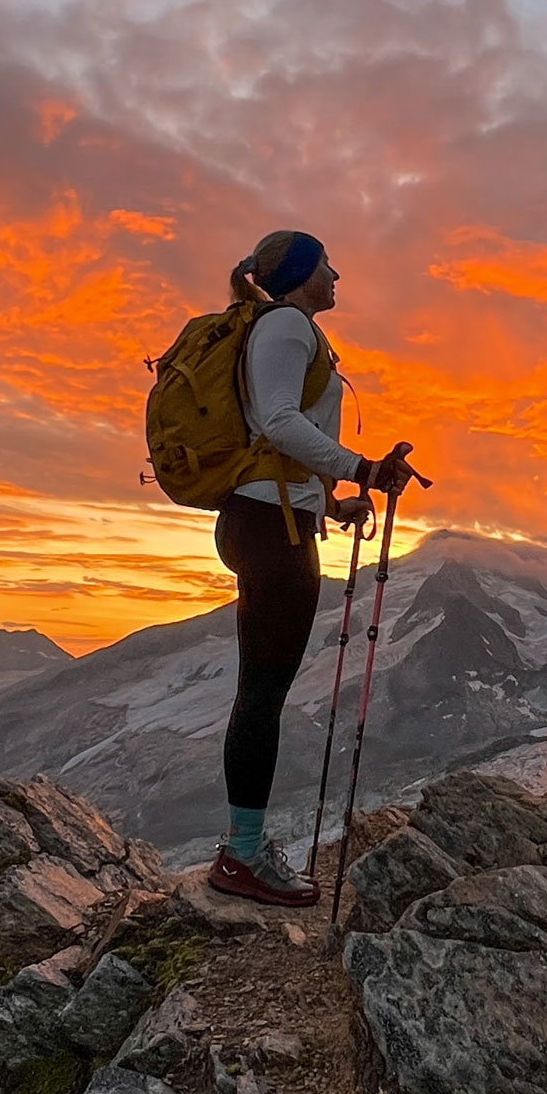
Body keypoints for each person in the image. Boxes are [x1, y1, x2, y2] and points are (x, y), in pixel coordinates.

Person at [207, 229, 419, 906]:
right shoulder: (289, 327)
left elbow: (283, 438)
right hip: (272, 529)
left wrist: (330, 502)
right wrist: (363, 469)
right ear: (302, 275)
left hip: (272, 518)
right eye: (327, 264)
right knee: (262, 697)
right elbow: (276, 422)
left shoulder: (281, 327)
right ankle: (242, 859)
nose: (338, 273)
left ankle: (243, 849)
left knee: (260, 693)